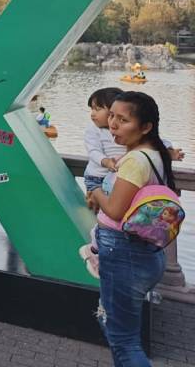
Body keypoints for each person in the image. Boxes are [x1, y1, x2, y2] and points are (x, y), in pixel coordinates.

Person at [85, 91, 176, 366]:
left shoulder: (135, 161)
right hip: (144, 253)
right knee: (113, 326)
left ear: (146, 127)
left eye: (123, 120)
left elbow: (114, 210)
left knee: (124, 341)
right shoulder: (155, 154)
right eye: (111, 116)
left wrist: (96, 191)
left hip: (125, 253)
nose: (112, 124)